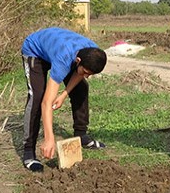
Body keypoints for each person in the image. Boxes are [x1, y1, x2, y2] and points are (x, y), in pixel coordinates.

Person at [20, 27, 108, 172]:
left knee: (81, 88)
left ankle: (81, 135)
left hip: (58, 49)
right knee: (37, 97)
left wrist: (63, 94)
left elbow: (80, 74)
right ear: (78, 61)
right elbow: (47, 103)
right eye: (86, 72)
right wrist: (50, 139)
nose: (86, 76)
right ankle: (29, 151)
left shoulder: (93, 52)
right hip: (35, 51)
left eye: (90, 74)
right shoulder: (64, 59)